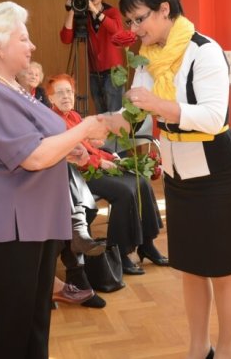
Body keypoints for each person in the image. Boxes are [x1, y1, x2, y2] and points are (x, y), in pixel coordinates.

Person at [0, 1, 118, 359]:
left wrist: (69, 149)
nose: (32, 46)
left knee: (32, 318)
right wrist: (83, 131)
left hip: (31, 217)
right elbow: (31, 157)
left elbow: (38, 139)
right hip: (7, 222)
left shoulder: (8, 86)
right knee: (10, 324)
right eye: (23, 39)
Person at [118, 0, 231, 359]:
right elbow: (134, 115)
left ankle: (226, 350)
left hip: (217, 171)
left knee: (222, 268)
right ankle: (197, 347)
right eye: (129, 22)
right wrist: (95, 129)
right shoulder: (147, 58)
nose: (134, 29)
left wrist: (159, 105)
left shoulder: (204, 51)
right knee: (191, 266)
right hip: (178, 173)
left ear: (164, 9)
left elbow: (212, 116)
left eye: (139, 19)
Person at [46, 73, 168, 275]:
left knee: (141, 181)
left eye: (69, 91)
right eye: (59, 93)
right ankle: (120, 252)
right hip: (77, 176)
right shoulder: (52, 122)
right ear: (50, 98)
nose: (66, 96)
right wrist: (100, 162)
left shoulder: (74, 116)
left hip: (94, 166)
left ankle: (147, 244)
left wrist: (111, 158)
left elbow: (89, 148)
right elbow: (70, 154)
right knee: (124, 192)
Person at [60, 0, 136, 113]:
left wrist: (95, 10)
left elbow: (117, 30)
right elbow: (66, 39)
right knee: (101, 113)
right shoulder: (83, 14)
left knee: (115, 112)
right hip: (94, 72)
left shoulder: (111, 12)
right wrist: (72, 9)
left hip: (114, 71)